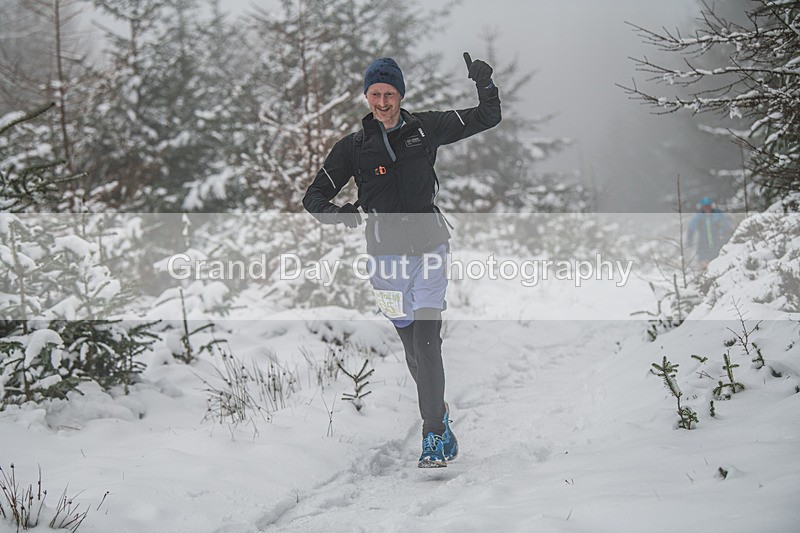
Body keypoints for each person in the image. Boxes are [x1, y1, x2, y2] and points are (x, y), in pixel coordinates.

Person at [303, 54, 501, 467]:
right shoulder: (353, 148)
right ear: (366, 96)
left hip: (430, 248)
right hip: (385, 263)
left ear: (401, 95)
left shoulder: (425, 128)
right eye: (375, 94)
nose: (382, 102)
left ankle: (432, 435)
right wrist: (340, 214)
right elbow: (313, 197)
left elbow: (487, 117)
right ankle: (439, 414)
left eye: (389, 94)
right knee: (413, 350)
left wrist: (485, 84)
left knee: (427, 343)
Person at [686, 196, 732, 270]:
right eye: (705, 206)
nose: (707, 208)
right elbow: (691, 229)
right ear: (702, 207)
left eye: (708, 206)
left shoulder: (717, 214)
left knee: (718, 264)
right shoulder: (699, 216)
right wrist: (689, 241)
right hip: (703, 244)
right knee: (704, 265)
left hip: (717, 243)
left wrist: (723, 234)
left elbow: (726, 225)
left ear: (711, 206)